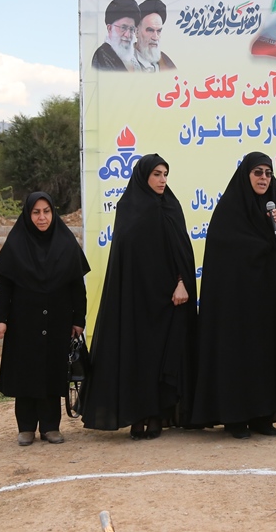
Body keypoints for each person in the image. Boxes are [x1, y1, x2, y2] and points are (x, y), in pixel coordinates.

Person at [191, 152, 276, 438]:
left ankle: (262, 416)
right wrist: (262, 244)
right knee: (237, 356)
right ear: (246, 175)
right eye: (258, 172)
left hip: (268, 304)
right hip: (236, 304)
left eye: (268, 173)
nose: (264, 178)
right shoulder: (229, 211)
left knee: (267, 356)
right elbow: (225, 251)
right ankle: (235, 418)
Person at [83, 154, 197, 439]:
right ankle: (137, 416)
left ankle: (156, 416)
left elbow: (182, 251)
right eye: (157, 174)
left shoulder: (171, 207)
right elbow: (122, 256)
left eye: (165, 174)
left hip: (169, 299)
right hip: (135, 299)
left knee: (161, 357)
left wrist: (182, 283)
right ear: (143, 176)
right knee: (136, 356)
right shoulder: (128, 208)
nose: (162, 180)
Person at [0, 192, 89, 446]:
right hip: (23, 321)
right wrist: (0, 319)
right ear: (28, 214)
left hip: (58, 321)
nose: (42, 217)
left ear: (53, 213)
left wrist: (78, 319)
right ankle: (25, 427)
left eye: (46, 211)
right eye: (36, 212)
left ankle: (50, 426)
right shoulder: (16, 243)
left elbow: (77, 285)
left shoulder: (66, 242)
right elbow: (4, 285)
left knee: (52, 372)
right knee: (25, 372)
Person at [91, 0, 141, 71]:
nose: (128, 35)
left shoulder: (132, 58)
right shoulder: (102, 56)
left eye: (131, 29)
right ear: (110, 28)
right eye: (123, 27)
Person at [134, 0, 176, 72]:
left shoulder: (166, 63)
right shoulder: (122, 62)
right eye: (150, 30)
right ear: (137, 31)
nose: (155, 37)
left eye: (158, 31)